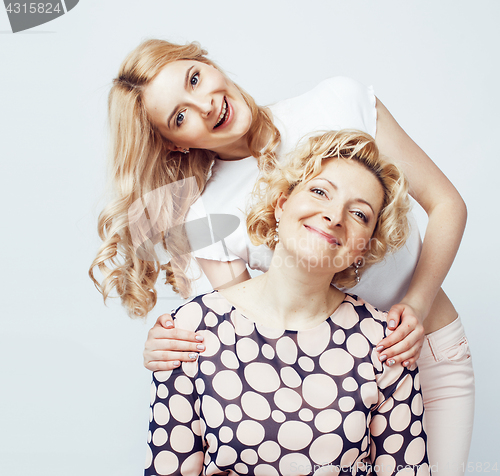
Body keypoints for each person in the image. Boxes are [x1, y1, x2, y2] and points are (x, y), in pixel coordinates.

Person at [89, 40, 473, 473]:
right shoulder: (205, 214)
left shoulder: (338, 100)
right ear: (173, 144)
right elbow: (249, 337)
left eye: (195, 79)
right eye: (179, 116)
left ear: (206, 61)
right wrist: (170, 344)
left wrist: (416, 307)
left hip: (431, 351)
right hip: (334, 383)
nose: (206, 106)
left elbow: (447, 204)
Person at [145, 130, 430, 476]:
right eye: (320, 191)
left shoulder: (386, 344)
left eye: (359, 214)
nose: (335, 216)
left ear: (364, 247)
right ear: (282, 204)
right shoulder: (192, 330)